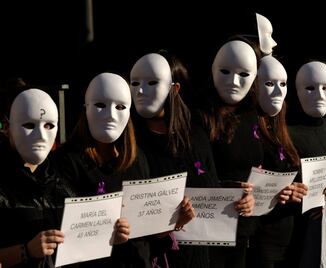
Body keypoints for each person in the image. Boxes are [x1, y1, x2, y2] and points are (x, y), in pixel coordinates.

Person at [53, 72, 194, 267]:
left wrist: (171, 221)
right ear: (86, 108)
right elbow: (64, 235)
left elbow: (147, 235)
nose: (110, 115)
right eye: (100, 105)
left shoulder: (138, 160)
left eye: (119, 107)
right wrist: (106, 237)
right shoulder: (66, 162)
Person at [129, 49, 218, 268]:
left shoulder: (196, 137)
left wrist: (240, 198)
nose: (141, 90)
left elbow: (213, 189)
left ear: (174, 89)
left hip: (198, 257)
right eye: (135, 83)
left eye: (152, 83)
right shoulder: (129, 145)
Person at [196, 35, 258, 268]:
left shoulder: (251, 115)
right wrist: (224, 190)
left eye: (243, 74)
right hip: (207, 232)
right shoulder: (199, 117)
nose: (233, 81)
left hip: (243, 231)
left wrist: (254, 197)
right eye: (225, 71)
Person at [287, 61, 326, 267]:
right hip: (305, 238)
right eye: (310, 88)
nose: (320, 96)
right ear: (296, 91)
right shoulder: (288, 133)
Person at [0, 88, 69, 267]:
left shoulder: (63, 178)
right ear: (7, 127)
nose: (40, 136)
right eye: (29, 125)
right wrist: (26, 251)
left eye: (48, 126)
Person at [249, 54, 305, 268]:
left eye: (283, 84)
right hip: (260, 240)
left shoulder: (281, 130)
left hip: (289, 236)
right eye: (270, 84)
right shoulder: (248, 132)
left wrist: (301, 189)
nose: (278, 91)